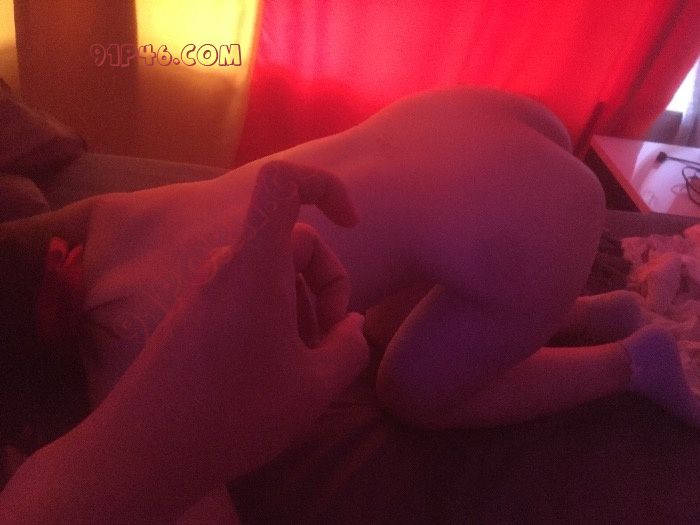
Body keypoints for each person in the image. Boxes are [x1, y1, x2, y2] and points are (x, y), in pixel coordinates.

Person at [1, 87, 698, 519]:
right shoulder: (111, 217)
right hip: (478, 117)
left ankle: (634, 361)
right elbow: (26, 205)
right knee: (393, 323)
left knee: (410, 392)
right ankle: (602, 310)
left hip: (536, 228)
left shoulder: (121, 345)